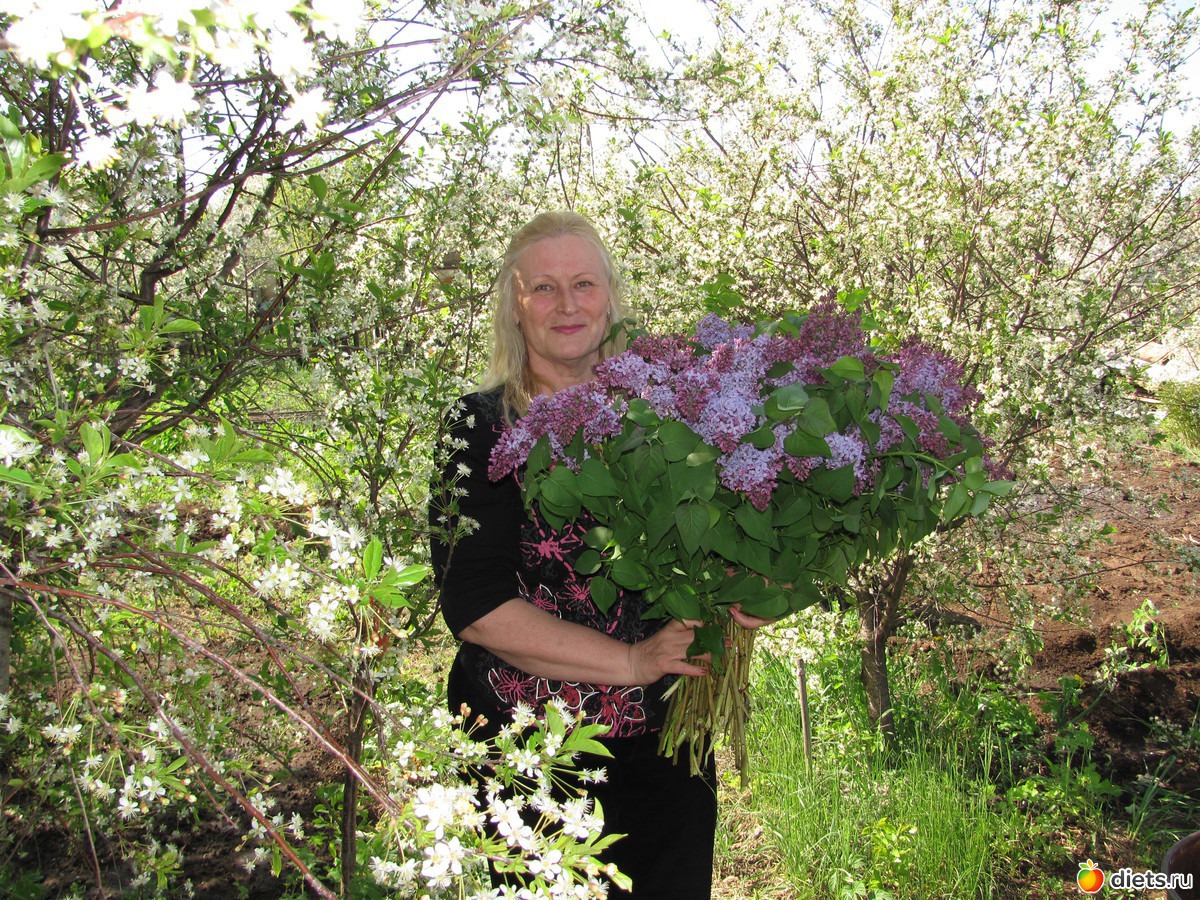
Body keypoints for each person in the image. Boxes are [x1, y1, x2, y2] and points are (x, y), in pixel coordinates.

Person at [430, 210, 769, 898]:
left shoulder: (670, 412)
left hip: (665, 754)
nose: (567, 304)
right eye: (544, 288)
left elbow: (720, 548)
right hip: (534, 759)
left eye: (583, 284)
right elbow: (477, 607)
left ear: (610, 297)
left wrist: (751, 592)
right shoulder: (478, 429)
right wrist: (633, 662)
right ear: (515, 308)